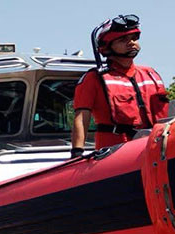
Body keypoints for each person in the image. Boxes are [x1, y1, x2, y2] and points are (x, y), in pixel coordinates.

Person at [71, 14, 169, 156]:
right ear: (107, 46)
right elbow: (81, 116)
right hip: (113, 153)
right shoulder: (94, 78)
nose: (131, 43)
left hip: (151, 148)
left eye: (134, 39)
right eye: (123, 40)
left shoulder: (150, 74)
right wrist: (77, 152)